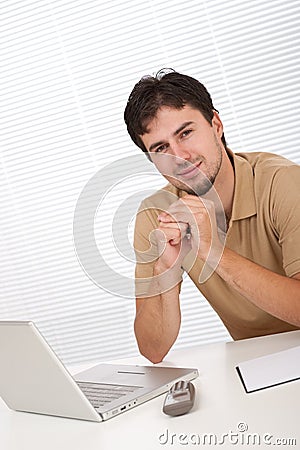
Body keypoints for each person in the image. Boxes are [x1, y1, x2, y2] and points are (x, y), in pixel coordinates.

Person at [124, 69, 300, 364]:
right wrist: (165, 267)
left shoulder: (282, 182)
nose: (180, 156)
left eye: (186, 133)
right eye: (161, 148)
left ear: (215, 124)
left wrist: (211, 249)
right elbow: (153, 349)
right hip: (260, 368)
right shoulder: (156, 216)